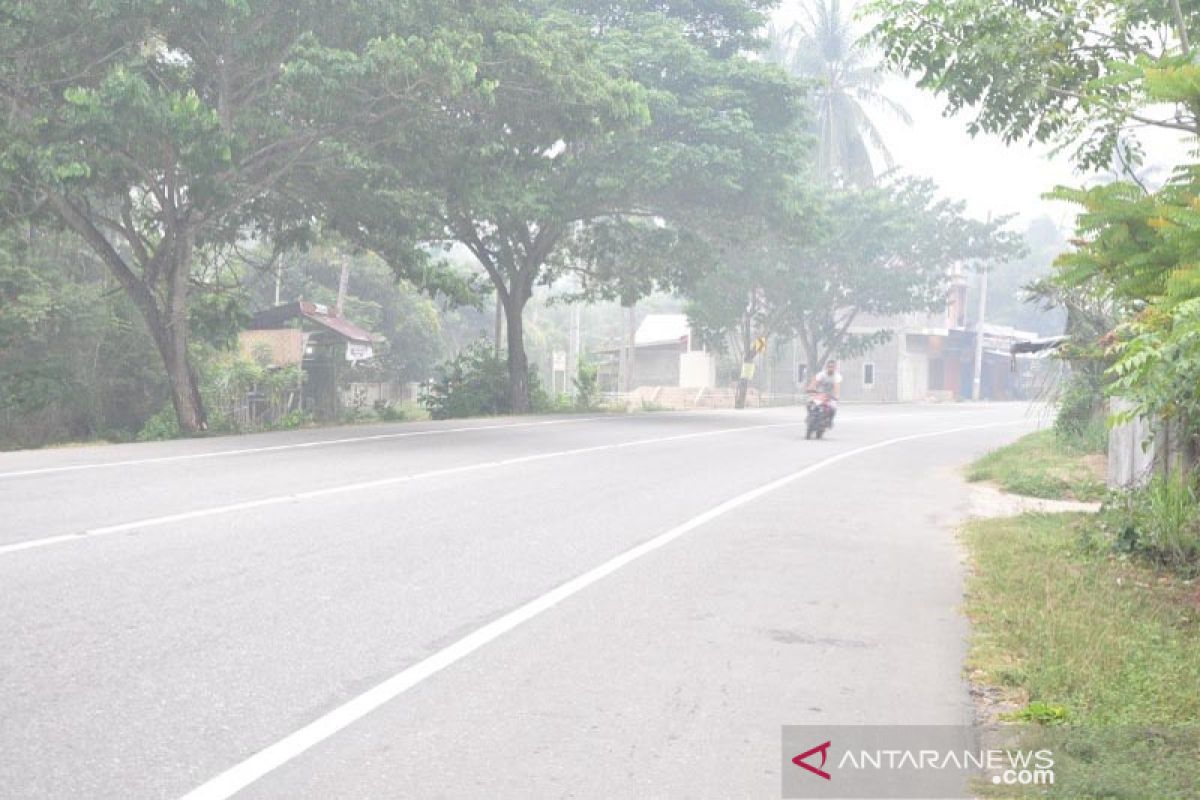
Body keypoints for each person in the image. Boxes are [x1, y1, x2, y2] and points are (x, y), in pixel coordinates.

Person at [807, 359, 842, 427]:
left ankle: (829, 421)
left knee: (833, 408)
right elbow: (814, 382)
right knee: (809, 403)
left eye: (832, 367)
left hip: (830, 396)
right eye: (829, 366)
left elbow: (837, 387)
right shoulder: (821, 374)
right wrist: (810, 389)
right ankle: (810, 416)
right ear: (826, 367)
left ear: (835, 368)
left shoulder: (837, 377)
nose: (830, 368)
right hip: (819, 395)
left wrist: (837, 396)